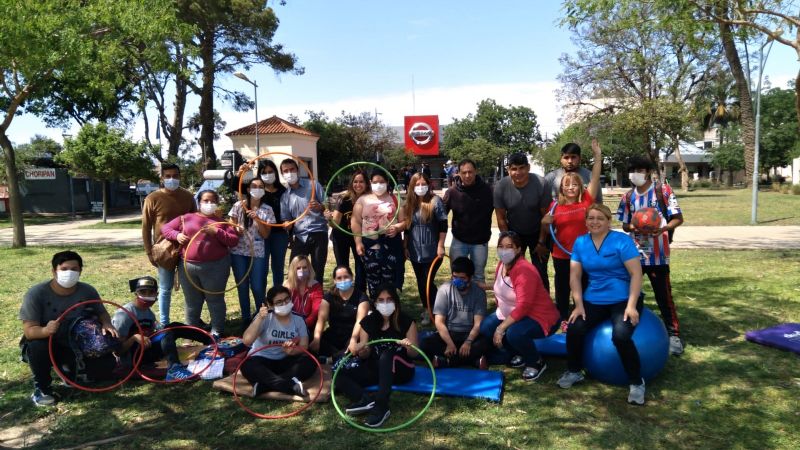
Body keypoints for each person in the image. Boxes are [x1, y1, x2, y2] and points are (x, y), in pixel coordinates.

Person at [557, 204, 647, 405]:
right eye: (591, 218)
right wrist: (578, 305)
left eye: (600, 218)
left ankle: (636, 382)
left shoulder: (621, 241)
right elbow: (575, 277)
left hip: (623, 298)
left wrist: (631, 306)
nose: (595, 222)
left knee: (621, 336)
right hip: (594, 298)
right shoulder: (580, 243)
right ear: (586, 221)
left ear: (608, 221)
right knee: (574, 329)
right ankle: (574, 371)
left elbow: (636, 274)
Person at [20, 251, 118, 406]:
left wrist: (107, 323)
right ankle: (42, 388)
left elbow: (102, 313)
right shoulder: (36, 294)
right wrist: (45, 331)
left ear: (80, 271)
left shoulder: (87, 291)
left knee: (106, 367)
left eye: (74, 269)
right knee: (37, 345)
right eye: (64, 269)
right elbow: (29, 331)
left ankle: (71, 372)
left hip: (76, 342)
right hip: (48, 343)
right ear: (54, 271)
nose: (69, 273)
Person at [617, 156, 685, 355]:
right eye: (632, 170)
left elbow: (678, 218)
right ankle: (628, 329)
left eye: (640, 169)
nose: (635, 174)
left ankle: (674, 335)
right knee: (630, 294)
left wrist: (662, 228)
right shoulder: (628, 197)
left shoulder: (662, 191)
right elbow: (624, 224)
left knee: (663, 296)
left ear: (648, 171)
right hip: (634, 255)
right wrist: (636, 226)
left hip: (658, 255)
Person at [479, 232, 560, 381]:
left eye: (509, 246)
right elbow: (503, 286)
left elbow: (524, 305)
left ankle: (536, 362)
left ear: (518, 249)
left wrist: (501, 328)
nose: (504, 250)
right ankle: (519, 353)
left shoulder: (524, 270)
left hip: (539, 316)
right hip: (512, 314)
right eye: (501, 246)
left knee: (514, 333)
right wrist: (483, 286)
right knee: (485, 328)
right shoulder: (502, 264)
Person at [335, 284, 418, 428]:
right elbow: (366, 352)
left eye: (389, 299)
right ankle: (365, 399)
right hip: (378, 368)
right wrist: (361, 350)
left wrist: (408, 346)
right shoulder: (368, 322)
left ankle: (381, 406)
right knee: (339, 374)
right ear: (375, 303)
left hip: (401, 368)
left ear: (396, 301)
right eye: (381, 300)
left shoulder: (406, 321)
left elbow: (414, 354)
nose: (385, 304)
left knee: (387, 355)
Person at [539, 139, 602, 323]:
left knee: (583, 285)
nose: (571, 188)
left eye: (574, 185)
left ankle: (581, 315)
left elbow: (595, 177)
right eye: (567, 186)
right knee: (562, 287)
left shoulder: (586, 201)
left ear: (580, 187)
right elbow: (547, 226)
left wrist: (598, 157)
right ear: (561, 188)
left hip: (584, 255)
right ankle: (563, 318)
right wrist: (544, 222)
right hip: (562, 255)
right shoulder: (554, 207)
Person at [161, 189, 239, 338]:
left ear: (217, 203)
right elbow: (165, 228)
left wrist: (217, 232)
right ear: (199, 202)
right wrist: (176, 235)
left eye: (212, 201)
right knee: (192, 301)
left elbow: (233, 240)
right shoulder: (186, 218)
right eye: (205, 201)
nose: (209, 204)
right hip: (188, 266)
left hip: (216, 267)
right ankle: (192, 331)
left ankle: (217, 330)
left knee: (215, 299)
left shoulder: (221, 221)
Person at [112, 276, 210, 381]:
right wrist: (134, 338)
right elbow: (117, 352)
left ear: (157, 295)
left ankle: (210, 340)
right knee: (167, 332)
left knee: (174, 326)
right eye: (143, 292)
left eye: (151, 293)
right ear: (136, 294)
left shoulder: (149, 313)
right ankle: (174, 369)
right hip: (133, 359)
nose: (147, 296)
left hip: (147, 350)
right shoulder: (124, 315)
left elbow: (156, 333)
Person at [141, 163, 196, 326]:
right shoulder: (152, 198)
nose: (172, 179)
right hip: (163, 250)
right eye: (168, 176)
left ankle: (191, 321)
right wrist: (149, 251)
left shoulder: (188, 196)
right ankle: (164, 324)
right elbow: (146, 227)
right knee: (165, 289)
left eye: (175, 176)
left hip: (186, 248)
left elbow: (196, 220)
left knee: (190, 289)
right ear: (162, 178)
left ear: (180, 177)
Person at [241, 286, 317, 397]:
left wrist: (292, 352)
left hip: (285, 360)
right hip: (262, 360)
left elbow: (304, 346)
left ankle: (265, 386)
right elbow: (247, 341)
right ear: (270, 305)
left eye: (287, 299)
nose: (285, 304)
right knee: (247, 365)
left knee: (310, 360)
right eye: (279, 302)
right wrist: (259, 318)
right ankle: (289, 385)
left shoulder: (298, 319)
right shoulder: (264, 317)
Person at [493, 153, 552, 290]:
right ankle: (516, 303)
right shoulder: (501, 186)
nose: (518, 172)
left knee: (540, 271)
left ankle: (543, 308)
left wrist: (541, 242)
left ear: (528, 168)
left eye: (522, 168)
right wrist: (509, 244)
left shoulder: (541, 183)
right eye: (514, 169)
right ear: (508, 170)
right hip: (515, 233)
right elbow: (501, 219)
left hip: (538, 232)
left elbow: (546, 217)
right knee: (514, 270)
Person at [420, 257, 490, 368]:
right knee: (425, 343)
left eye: (462, 278)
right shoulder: (444, 289)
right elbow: (439, 322)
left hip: (470, 334)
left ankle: (446, 361)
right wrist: (449, 343)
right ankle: (473, 361)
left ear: (470, 278)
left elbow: (478, 324)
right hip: (449, 334)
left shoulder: (478, 292)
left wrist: (468, 342)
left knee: (486, 343)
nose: (458, 281)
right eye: (455, 277)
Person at [351, 169, 406, 298]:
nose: (379, 184)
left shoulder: (396, 199)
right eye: (375, 182)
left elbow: (404, 221)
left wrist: (397, 228)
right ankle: (375, 307)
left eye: (382, 182)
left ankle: (392, 309)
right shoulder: (362, 200)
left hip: (391, 248)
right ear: (370, 183)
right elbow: (356, 222)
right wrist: (358, 243)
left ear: (387, 182)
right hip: (370, 248)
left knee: (390, 282)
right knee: (373, 281)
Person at [228, 177, 275, 327]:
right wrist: (236, 229)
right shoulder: (238, 205)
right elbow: (230, 224)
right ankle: (246, 317)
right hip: (238, 252)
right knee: (242, 285)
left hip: (257, 252)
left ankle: (262, 316)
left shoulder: (267, 209)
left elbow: (266, 234)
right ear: (248, 189)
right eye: (254, 186)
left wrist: (258, 220)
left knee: (257, 286)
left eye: (261, 186)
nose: (257, 189)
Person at [403, 172, 447, 326]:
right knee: (421, 282)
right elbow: (407, 228)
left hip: (433, 251)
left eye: (423, 184)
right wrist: (405, 245)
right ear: (412, 186)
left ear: (428, 185)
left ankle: (436, 311)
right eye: (417, 184)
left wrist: (441, 245)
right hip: (415, 251)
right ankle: (427, 308)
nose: (420, 187)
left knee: (426, 282)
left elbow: (443, 225)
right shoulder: (410, 203)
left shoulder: (435, 201)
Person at [443, 158, 494, 288]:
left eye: (470, 172)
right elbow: (441, 215)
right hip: (459, 241)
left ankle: (478, 306)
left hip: (480, 242)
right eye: (464, 172)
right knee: (457, 275)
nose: (467, 175)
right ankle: (458, 305)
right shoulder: (452, 192)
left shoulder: (488, 191)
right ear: (458, 173)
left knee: (478, 276)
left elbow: (500, 210)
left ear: (476, 172)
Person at [279, 158, 328, 285]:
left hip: (318, 233)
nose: (289, 173)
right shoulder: (285, 196)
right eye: (286, 171)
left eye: (292, 169)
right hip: (300, 236)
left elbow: (327, 206)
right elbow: (286, 219)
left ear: (298, 170)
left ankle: (317, 300)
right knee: (295, 270)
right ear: (282, 174)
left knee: (318, 271)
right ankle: (299, 299)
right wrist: (287, 225)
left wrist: (320, 207)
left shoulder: (313, 185)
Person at [310, 265, 371, 357]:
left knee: (358, 349)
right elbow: (321, 320)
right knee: (310, 341)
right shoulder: (328, 297)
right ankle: (337, 357)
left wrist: (353, 340)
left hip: (352, 335)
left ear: (352, 277)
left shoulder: (361, 297)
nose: (343, 280)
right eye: (339, 278)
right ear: (335, 280)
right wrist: (317, 339)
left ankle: (331, 359)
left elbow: (360, 322)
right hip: (333, 335)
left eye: (346, 277)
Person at [326, 169, 368, 293]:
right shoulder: (344, 198)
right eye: (355, 182)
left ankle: (360, 295)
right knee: (342, 266)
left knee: (361, 266)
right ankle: (344, 293)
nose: (358, 185)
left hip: (359, 236)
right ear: (351, 183)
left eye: (361, 182)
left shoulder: (369, 199)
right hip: (341, 237)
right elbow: (335, 223)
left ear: (366, 184)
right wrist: (329, 219)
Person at [257, 159, 289, 290]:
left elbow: (289, 212)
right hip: (261, 234)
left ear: (275, 173)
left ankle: (278, 296)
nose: (268, 174)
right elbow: (237, 186)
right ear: (259, 174)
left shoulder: (284, 191)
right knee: (261, 269)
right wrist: (240, 173)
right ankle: (263, 302)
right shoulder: (257, 190)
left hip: (279, 235)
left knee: (278, 267)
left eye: (270, 172)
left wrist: (289, 226)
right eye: (264, 172)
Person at [284, 255, 324, 333]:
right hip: (288, 323)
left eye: (304, 267)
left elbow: (316, 310)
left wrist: (303, 324)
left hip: (308, 324)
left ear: (309, 268)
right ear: (293, 270)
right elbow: (282, 307)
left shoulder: (315, 286)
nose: (301, 270)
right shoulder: (287, 285)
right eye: (298, 268)